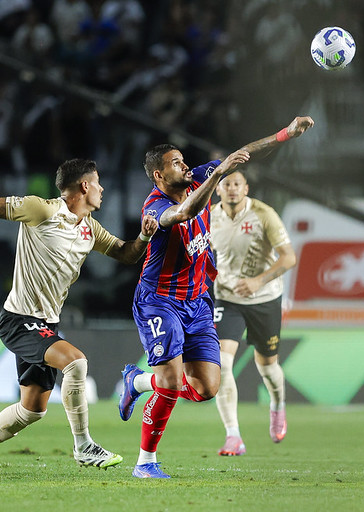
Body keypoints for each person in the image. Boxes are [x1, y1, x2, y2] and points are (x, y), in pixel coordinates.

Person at [0, 158, 156, 480]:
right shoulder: (42, 210)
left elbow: (126, 254)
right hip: (19, 318)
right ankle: (84, 445)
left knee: (31, 410)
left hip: (46, 323)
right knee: (76, 363)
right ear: (84, 186)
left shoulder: (90, 228)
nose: (102, 189)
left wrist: (143, 237)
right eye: (97, 182)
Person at [117, 116, 314, 479]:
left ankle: (138, 381)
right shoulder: (155, 207)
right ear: (159, 176)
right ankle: (145, 462)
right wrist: (215, 174)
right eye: (176, 163)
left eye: (184, 159)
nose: (185, 165)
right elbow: (187, 211)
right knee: (174, 383)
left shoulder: (200, 177)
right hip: (160, 302)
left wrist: (286, 133)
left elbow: (245, 153)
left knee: (208, 388)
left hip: (197, 302)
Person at [209, 171, 297, 456]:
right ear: (218, 189)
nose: (232, 189)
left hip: (265, 298)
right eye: (227, 185)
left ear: (245, 188)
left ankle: (277, 405)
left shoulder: (264, 214)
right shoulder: (209, 216)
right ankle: (233, 435)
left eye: (237, 184)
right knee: (221, 363)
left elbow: (289, 257)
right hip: (227, 298)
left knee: (268, 368)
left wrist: (259, 281)